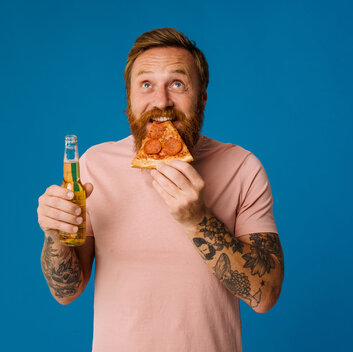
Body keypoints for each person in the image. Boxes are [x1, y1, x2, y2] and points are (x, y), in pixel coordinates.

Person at [37, 27, 284, 352]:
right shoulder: (93, 166)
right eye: (146, 85)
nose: (162, 101)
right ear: (129, 99)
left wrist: (197, 219)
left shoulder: (242, 167)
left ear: (202, 96)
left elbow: (264, 295)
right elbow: (66, 290)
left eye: (177, 84)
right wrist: (55, 233)